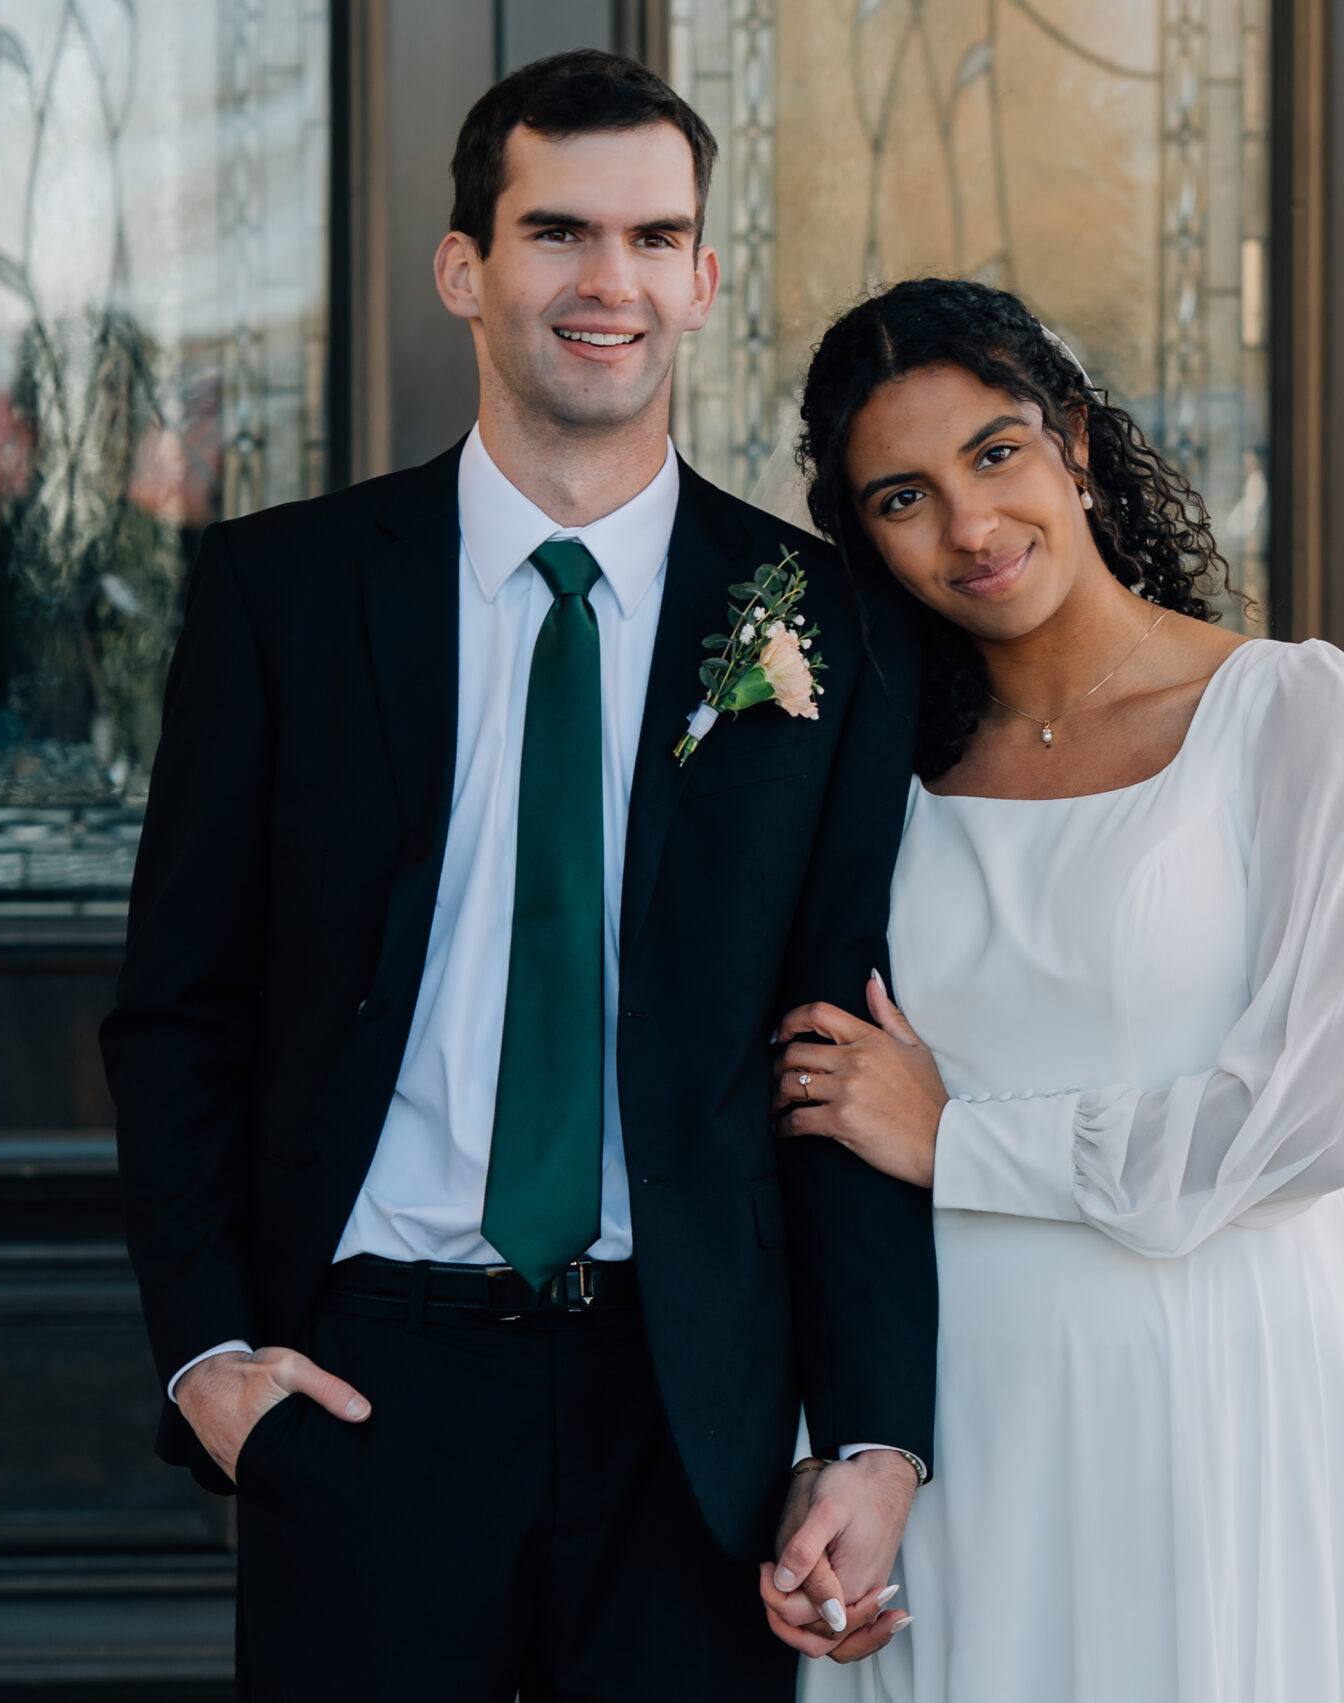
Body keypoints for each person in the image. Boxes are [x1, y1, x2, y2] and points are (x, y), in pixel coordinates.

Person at [101, 51, 933, 1699]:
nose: (605, 281)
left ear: (700, 280)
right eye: (557, 232)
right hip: (361, 1390)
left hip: (688, 1414)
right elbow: (180, 1010)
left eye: (651, 238)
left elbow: (837, 1055)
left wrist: (878, 1435)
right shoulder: (286, 595)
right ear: (465, 267)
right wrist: (207, 1358)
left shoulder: (823, 621)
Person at [763, 277, 1344, 1701]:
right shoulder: (873, 777)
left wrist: (959, 1138)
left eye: (997, 455)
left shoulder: (1288, 713)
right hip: (968, 1406)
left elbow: (1311, 1123)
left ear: (1079, 444)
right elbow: (816, 1121)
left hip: (1225, 1379)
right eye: (903, 498)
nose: (972, 528)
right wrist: (842, 1437)